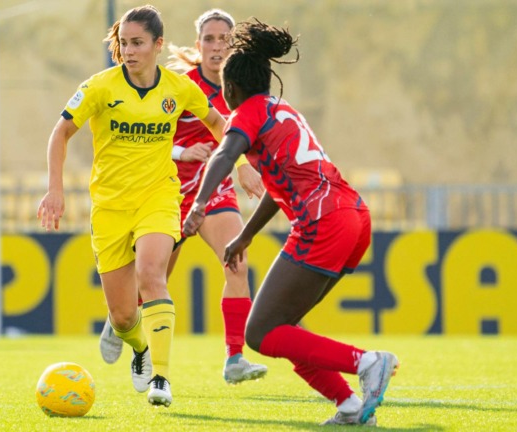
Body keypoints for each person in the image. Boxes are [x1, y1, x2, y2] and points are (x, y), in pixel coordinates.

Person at [183, 19, 399, 426]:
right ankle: (349, 405)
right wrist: (245, 235)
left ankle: (368, 363)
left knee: (261, 333)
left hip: (323, 222)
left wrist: (198, 206)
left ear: (229, 89)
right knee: (287, 327)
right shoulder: (280, 109)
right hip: (353, 216)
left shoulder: (244, 114)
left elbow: (223, 156)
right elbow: (275, 187)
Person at [37, 5, 227, 407]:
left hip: (158, 197)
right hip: (109, 208)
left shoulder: (177, 88)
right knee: (123, 317)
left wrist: (241, 163)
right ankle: (139, 347)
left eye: (138, 43)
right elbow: (61, 132)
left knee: (151, 274)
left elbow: (218, 123)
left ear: (158, 45)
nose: (129, 51)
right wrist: (55, 190)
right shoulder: (100, 87)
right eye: (123, 43)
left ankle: (162, 378)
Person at [97, 8, 269, 386]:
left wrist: (244, 166)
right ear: (198, 45)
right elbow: (146, 137)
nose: (217, 46)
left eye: (225, 39)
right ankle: (121, 320)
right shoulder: (177, 85)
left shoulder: (239, 89)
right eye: (209, 39)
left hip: (213, 191)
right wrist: (180, 154)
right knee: (152, 279)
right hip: (168, 190)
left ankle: (235, 357)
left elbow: (235, 133)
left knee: (237, 261)